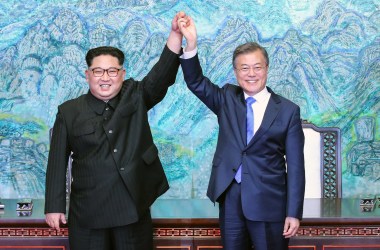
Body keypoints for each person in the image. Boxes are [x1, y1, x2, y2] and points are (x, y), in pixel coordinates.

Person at [45, 12, 189, 250]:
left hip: (132, 209)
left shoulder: (136, 95)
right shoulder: (69, 111)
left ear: (122, 74)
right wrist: (54, 205)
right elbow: (56, 162)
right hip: (87, 213)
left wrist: (175, 34)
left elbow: (161, 75)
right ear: (87, 75)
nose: (105, 78)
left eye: (112, 71)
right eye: (98, 71)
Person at [177, 17, 305, 250]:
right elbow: (195, 81)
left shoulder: (288, 111)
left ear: (266, 68)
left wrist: (294, 213)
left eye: (257, 67)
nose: (251, 73)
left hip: (269, 203)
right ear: (236, 72)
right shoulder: (227, 98)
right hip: (231, 199)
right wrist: (192, 43)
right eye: (244, 68)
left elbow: (296, 167)